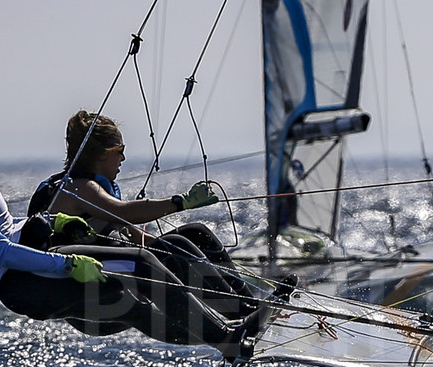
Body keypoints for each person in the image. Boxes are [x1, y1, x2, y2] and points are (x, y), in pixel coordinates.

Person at [0, 102, 275, 359]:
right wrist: (67, 265)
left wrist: (55, 223)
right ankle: (229, 337)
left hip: (30, 258)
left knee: (139, 289)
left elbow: (10, 229)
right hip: (18, 279)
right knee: (142, 271)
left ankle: (235, 323)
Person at [25, 110, 259, 317]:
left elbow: (134, 234)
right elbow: (123, 212)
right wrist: (181, 202)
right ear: (101, 153)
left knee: (194, 234)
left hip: (114, 264)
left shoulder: (91, 186)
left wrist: (170, 251)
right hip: (83, 281)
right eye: (120, 150)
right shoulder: (78, 188)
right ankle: (239, 312)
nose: (123, 158)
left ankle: (249, 305)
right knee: (176, 244)